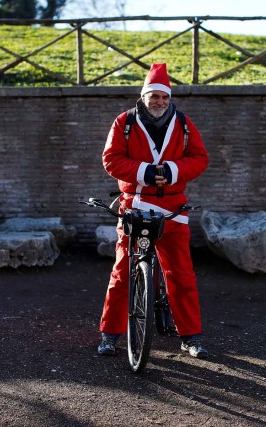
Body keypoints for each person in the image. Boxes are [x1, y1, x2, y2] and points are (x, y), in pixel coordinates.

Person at [97, 63, 210, 359]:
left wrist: (171, 170)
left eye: (163, 96)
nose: (159, 101)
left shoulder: (184, 124)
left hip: (173, 209)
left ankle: (190, 337)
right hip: (134, 206)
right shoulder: (124, 122)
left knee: (182, 274)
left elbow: (199, 158)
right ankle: (110, 336)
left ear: (169, 98)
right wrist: (146, 173)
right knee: (122, 273)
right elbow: (111, 159)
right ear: (143, 97)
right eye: (153, 96)